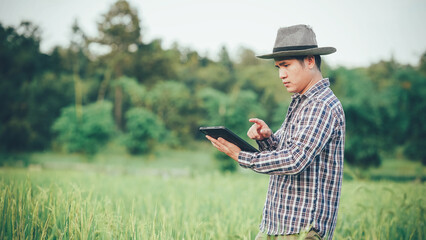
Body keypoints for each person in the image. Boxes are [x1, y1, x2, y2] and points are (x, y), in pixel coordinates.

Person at [206, 24, 345, 240]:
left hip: (301, 229)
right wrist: (267, 139)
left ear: (309, 61)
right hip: (278, 225)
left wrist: (242, 156)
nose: (281, 74)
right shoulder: (302, 103)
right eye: (278, 67)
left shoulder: (321, 105)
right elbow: (287, 150)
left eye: (286, 65)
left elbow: (295, 160)